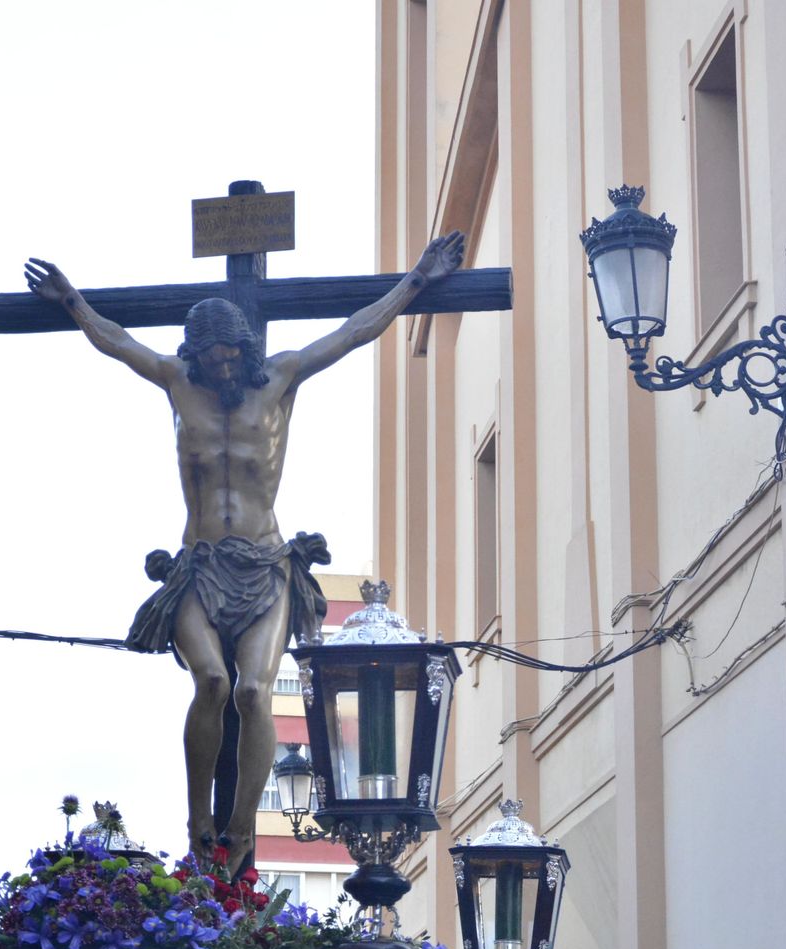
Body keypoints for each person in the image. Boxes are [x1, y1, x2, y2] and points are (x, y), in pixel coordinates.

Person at [23, 231, 465, 874]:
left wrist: (417, 280)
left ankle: (241, 833)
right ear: (195, 357)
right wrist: (74, 304)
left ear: (246, 350)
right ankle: (199, 821)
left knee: (255, 693)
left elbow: (352, 331)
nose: (225, 370)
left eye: (233, 358)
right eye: (214, 361)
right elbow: (119, 343)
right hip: (198, 567)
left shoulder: (281, 377)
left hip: (264, 566)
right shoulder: (177, 382)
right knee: (211, 682)